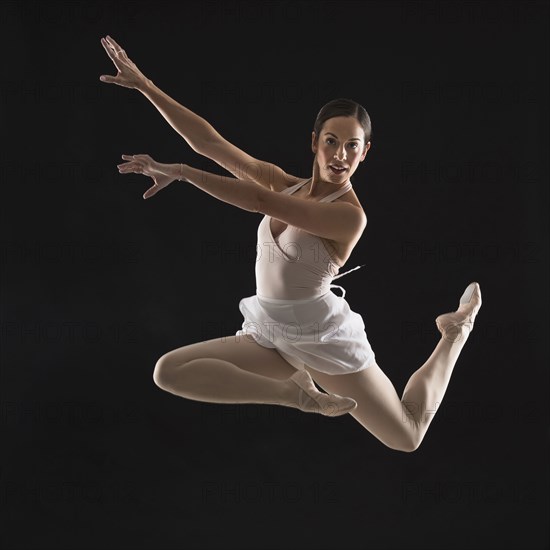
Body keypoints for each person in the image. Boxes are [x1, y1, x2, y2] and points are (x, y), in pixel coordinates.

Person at [100, 35, 482, 452]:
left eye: (352, 146)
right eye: (332, 141)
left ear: (365, 152)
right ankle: (299, 394)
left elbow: (262, 202)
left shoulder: (349, 215)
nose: (340, 154)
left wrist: (182, 172)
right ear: (314, 141)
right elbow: (211, 144)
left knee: (407, 435)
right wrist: (146, 86)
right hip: (272, 329)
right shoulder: (290, 185)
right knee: (169, 371)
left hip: (319, 335)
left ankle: (455, 331)